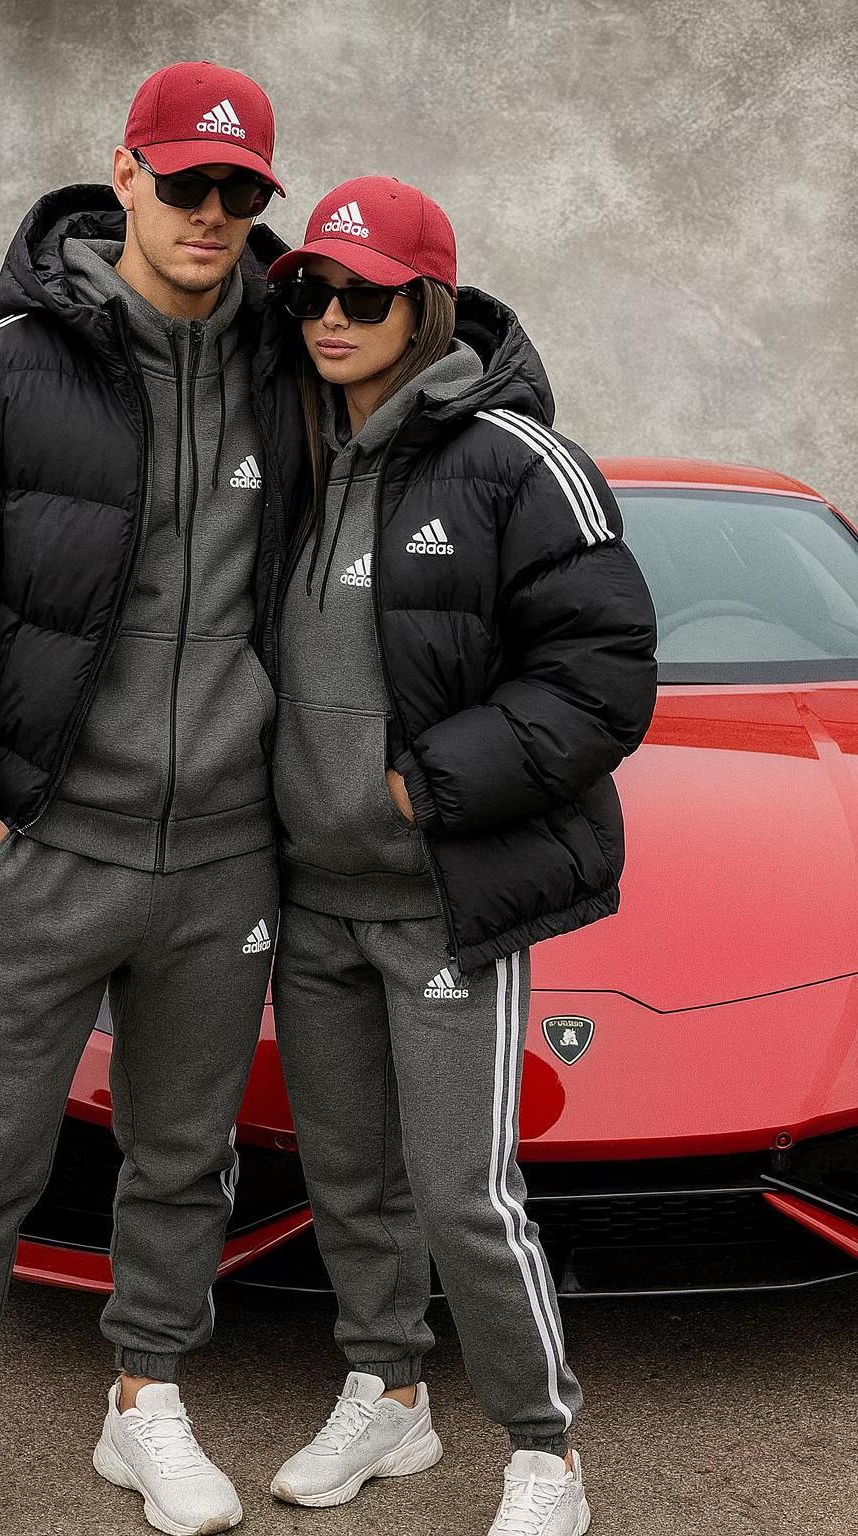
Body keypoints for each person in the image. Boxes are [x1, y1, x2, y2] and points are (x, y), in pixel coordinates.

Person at [0, 60, 288, 1536]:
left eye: (239, 192)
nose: (210, 214)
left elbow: (459, 409)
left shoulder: (295, 367)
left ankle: (144, 1403)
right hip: (45, 846)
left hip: (223, 856)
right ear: (124, 175)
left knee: (182, 1157)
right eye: (185, 183)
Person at [260, 176, 658, 1535]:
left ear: (425, 305)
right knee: (348, 1180)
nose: (330, 316)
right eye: (311, 292)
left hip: (439, 899)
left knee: (463, 1193)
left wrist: (424, 786)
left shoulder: (516, 461)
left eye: (362, 294)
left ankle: (546, 1455)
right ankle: (389, 1396)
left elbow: (602, 678)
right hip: (309, 898)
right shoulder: (290, 450)